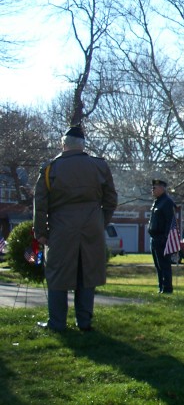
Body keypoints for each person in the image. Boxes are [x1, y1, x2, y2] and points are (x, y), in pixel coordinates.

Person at [33, 125, 118, 332]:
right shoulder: (100, 166)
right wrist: (100, 222)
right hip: (92, 226)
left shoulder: (50, 168)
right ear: (83, 145)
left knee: (57, 275)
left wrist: (40, 233)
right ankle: (84, 322)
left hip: (61, 228)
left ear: (63, 144)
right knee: (87, 274)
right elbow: (111, 199)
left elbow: (41, 204)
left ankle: (57, 323)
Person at [148, 178, 176, 294]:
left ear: (161, 188)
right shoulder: (157, 201)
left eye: (154, 188)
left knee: (164, 265)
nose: (152, 190)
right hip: (154, 238)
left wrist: (165, 238)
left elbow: (170, 222)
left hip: (162, 238)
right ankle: (161, 287)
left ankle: (167, 289)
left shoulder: (167, 202)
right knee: (158, 266)